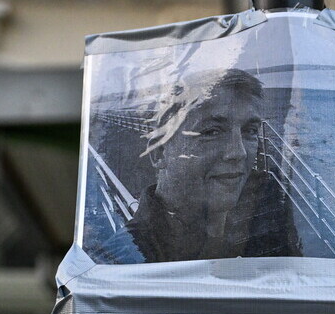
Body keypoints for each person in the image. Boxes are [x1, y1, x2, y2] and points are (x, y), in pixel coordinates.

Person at [85, 68, 298, 264]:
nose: (239, 152)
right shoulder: (119, 264)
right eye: (212, 132)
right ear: (159, 152)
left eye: (250, 131)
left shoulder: (268, 232)